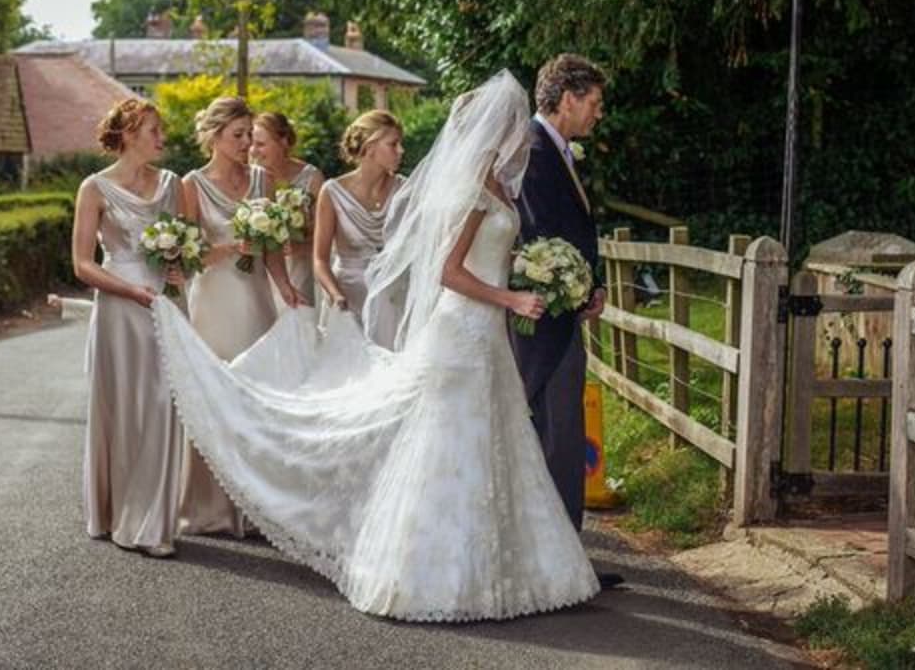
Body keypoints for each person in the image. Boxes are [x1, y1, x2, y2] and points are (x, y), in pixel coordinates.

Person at [152, 73, 611, 620]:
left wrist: (540, 276)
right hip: (464, 329)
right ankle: (434, 571)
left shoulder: (498, 187)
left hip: (488, 331)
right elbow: (448, 272)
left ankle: (511, 567)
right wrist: (510, 298)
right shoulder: (470, 191)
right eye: (510, 126)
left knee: (498, 444)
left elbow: (493, 256)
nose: (518, 136)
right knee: (450, 446)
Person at [178, 96, 302, 537]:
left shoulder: (261, 180)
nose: (248, 142)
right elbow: (188, 254)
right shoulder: (191, 185)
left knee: (257, 396)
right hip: (214, 301)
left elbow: (272, 248)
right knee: (215, 396)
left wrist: (285, 288)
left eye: (250, 134)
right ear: (214, 136)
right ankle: (210, 507)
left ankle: (258, 508)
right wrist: (232, 247)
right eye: (238, 135)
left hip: (256, 299)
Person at [72, 99, 184, 559]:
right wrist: (130, 290)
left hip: (166, 305)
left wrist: (179, 266)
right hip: (120, 310)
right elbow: (82, 264)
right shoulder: (94, 188)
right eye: (154, 130)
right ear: (129, 133)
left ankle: (153, 523)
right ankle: (119, 514)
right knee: (125, 410)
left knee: (162, 406)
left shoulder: (171, 184)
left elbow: (182, 245)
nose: (162, 138)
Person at [515, 54, 608, 528]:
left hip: (564, 309)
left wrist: (595, 284)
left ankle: (560, 541)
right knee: (557, 431)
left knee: (563, 429)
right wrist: (574, 288)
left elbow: (578, 232)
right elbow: (540, 237)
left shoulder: (560, 151)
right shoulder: (534, 152)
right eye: (594, 103)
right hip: (544, 322)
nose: (598, 113)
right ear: (568, 99)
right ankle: (558, 542)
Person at [313, 111, 405, 337]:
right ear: (370, 147)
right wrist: (336, 296)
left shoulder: (404, 189)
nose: (401, 150)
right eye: (393, 144)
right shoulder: (332, 192)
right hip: (348, 297)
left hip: (391, 296)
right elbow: (320, 260)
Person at [251, 111, 323, 308]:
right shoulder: (249, 178)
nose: (253, 151)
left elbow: (324, 235)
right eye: (251, 143)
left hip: (301, 270)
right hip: (259, 273)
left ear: (283, 142)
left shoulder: (311, 178)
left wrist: (299, 245)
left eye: (260, 144)